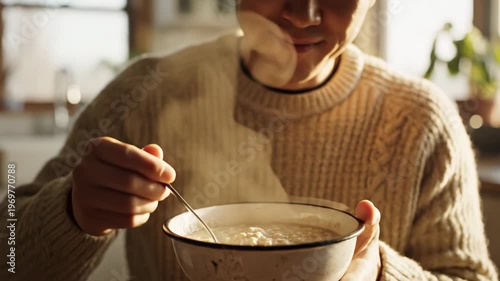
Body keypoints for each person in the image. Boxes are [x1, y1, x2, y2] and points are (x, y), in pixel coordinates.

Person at [1, 0, 498, 280]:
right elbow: (10, 254)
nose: (304, 13)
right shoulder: (143, 94)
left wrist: (378, 273)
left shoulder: (419, 120)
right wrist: (73, 213)